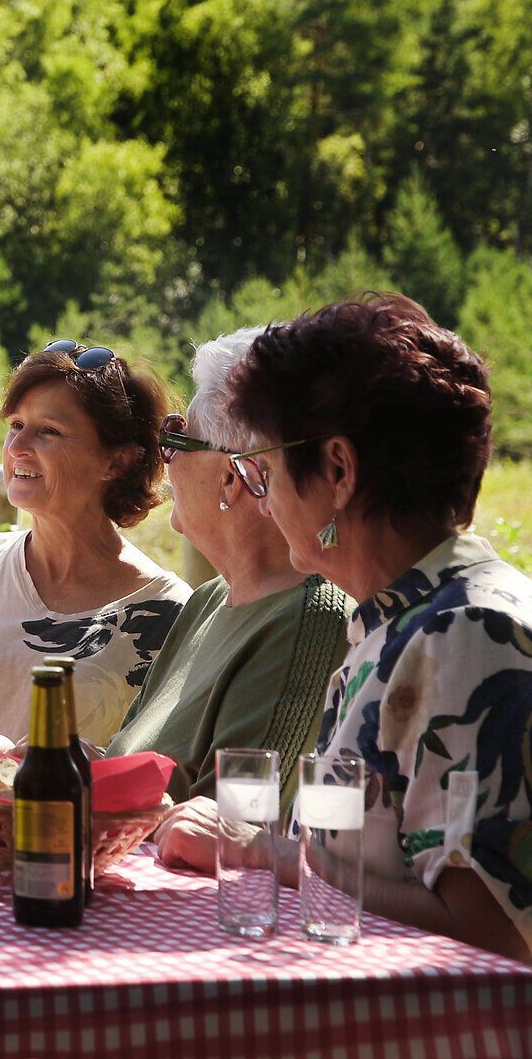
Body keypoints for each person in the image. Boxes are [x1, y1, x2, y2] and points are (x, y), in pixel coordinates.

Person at [155, 295, 532, 983]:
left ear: (338, 471)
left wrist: (270, 855)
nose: (261, 495)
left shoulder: (470, 636)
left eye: (264, 467)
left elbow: (492, 936)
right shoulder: (400, 623)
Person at [0, 342, 191, 747]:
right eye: (15, 425)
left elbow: (164, 769)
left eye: (48, 431)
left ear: (116, 462)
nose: (17, 448)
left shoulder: (169, 613)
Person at [104, 326, 350, 810]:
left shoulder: (308, 619)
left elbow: (233, 829)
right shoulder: (209, 600)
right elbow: (129, 761)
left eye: (178, 437)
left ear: (232, 477)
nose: (164, 457)